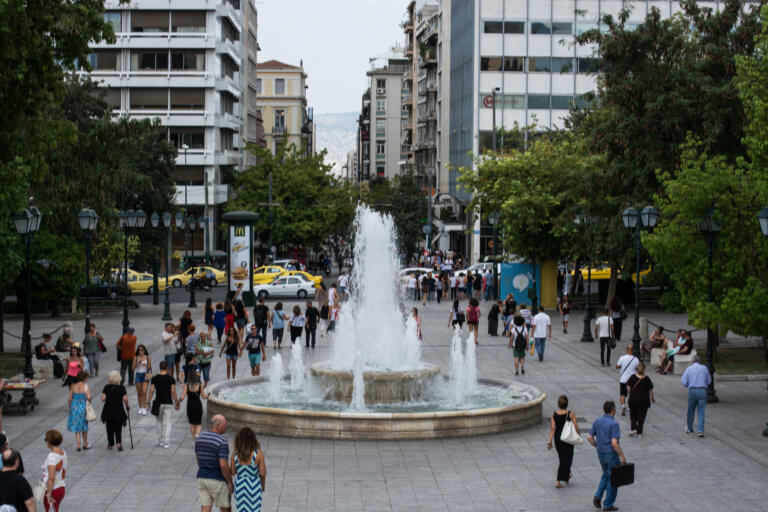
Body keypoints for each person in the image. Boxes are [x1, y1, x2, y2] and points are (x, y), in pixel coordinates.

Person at [588, 400, 627, 511]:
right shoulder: (614, 424)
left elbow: (590, 437)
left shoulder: (597, 421)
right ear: (613, 410)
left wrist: (596, 445)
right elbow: (614, 442)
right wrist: (622, 455)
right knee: (614, 478)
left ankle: (598, 495)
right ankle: (608, 504)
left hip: (601, 453)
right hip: (611, 454)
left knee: (606, 474)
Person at [196, 414, 234, 512]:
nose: (226, 426)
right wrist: (229, 482)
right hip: (217, 479)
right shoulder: (222, 441)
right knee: (225, 508)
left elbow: (198, 458)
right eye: (225, 424)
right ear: (218, 425)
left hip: (202, 478)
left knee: (205, 509)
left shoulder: (200, 438)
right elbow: (223, 464)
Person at [547, 395, 581, 488]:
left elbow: (553, 429)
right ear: (567, 404)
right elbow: (576, 426)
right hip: (568, 438)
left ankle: (567, 474)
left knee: (562, 458)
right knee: (567, 458)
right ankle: (558, 481)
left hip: (558, 439)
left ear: (558, 404)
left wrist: (550, 441)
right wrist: (578, 435)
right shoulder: (570, 413)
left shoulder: (554, 414)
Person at [230, 427, 266, 512]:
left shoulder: (235, 454)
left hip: (240, 486)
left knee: (241, 509)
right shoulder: (258, 454)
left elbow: (232, 472)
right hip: (254, 485)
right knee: (254, 509)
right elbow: (262, 473)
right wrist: (263, 486)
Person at [148, 361, 180, 448]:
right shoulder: (171, 379)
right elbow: (173, 391)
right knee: (168, 422)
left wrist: (148, 402)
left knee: (159, 421)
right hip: (168, 402)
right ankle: (167, 442)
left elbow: (151, 391)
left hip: (158, 402)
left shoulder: (155, 378)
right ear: (167, 368)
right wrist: (177, 402)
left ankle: (160, 440)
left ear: (159, 367)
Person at [681, 355, 711, 437]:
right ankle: (700, 430)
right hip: (702, 391)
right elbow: (709, 380)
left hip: (692, 390)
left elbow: (684, 381)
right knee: (701, 411)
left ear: (692, 361)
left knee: (691, 410)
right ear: (700, 361)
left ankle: (690, 429)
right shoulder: (704, 368)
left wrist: (688, 385)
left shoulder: (689, 369)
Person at [100, 371, 129, 450]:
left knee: (109, 428)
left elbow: (102, 399)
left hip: (108, 410)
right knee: (118, 428)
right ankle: (118, 443)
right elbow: (125, 399)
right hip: (118, 410)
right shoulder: (121, 388)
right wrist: (127, 406)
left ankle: (110, 444)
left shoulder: (106, 387)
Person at [626, 363, 654, 437]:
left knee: (633, 414)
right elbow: (651, 390)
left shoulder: (632, 377)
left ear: (637, 369)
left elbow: (628, 388)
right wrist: (653, 398)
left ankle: (634, 428)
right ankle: (640, 433)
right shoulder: (647, 379)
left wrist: (631, 393)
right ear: (644, 370)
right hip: (644, 400)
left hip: (633, 399)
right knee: (641, 416)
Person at [41, 429, 66, 511]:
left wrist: (48, 494)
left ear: (49, 441)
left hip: (53, 489)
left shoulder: (52, 456)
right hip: (61, 487)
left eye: (46, 439)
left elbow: (52, 477)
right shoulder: (63, 452)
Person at [66, 370, 91, 451]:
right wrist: (89, 402)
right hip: (83, 407)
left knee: (76, 428)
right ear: (84, 378)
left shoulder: (73, 386)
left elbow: (70, 398)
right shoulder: (86, 386)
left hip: (74, 407)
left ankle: (78, 445)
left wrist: (70, 406)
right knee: (84, 426)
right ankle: (85, 443)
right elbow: (89, 397)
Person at [180, 372, 208, 440]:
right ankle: (197, 434)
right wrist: (208, 396)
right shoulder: (200, 385)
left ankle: (194, 439)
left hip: (190, 406)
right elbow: (203, 396)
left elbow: (182, 397)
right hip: (198, 405)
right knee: (198, 423)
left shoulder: (187, 385)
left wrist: (178, 402)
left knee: (192, 424)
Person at [615, 345, 640, 416]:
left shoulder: (622, 358)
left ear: (626, 350)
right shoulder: (635, 359)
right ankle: (629, 407)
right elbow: (638, 368)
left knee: (622, 394)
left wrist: (621, 366)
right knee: (631, 394)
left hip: (623, 379)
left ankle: (623, 406)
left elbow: (617, 366)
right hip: (632, 380)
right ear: (632, 351)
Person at [132, 344, 152, 415]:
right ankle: (140, 408)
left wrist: (145, 365)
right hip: (138, 375)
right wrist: (137, 364)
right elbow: (132, 368)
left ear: (144, 350)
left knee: (144, 392)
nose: (141, 351)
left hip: (145, 375)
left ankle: (144, 408)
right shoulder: (135, 357)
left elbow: (150, 367)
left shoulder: (147, 357)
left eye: (142, 350)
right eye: (139, 350)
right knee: (139, 392)